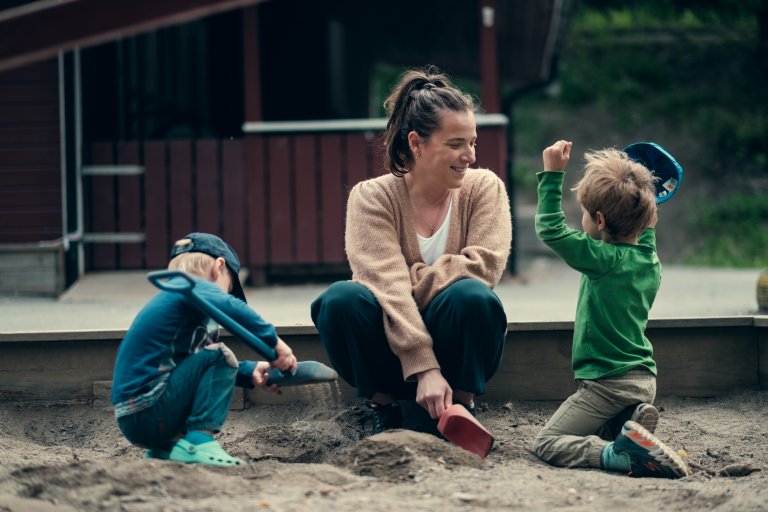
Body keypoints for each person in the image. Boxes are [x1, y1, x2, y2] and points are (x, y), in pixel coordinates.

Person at [311, 66, 512, 435]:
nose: (469, 155)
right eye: (456, 144)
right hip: (390, 355)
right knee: (341, 299)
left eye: (473, 142)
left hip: (456, 355)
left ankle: (463, 408)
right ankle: (382, 407)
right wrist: (424, 367)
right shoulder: (371, 197)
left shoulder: (485, 188)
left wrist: (409, 278)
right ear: (417, 144)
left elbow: (484, 265)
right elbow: (383, 285)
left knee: (472, 295)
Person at [532, 140, 690, 478]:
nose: (583, 220)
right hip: (645, 379)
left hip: (607, 384)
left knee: (547, 441)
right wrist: (638, 189)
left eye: (585, 214)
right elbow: (646, 224)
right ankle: (627, 422)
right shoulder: (649, 260)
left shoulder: (602, 259)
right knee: (603, 421)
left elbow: (551, 229)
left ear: (600, 220)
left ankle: (617, 453)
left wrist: (551, 175)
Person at [111, 232, 297, 466]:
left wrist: (249, 371)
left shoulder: (177, 304)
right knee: (220, 353)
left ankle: (165, 449)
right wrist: (276, 344)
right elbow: (232, 310)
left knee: (215, 356)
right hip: (151, 408)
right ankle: (198, 442)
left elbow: (196, 368)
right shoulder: (190, 286)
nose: (226, 294)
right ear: (218, 267)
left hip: (134, 420)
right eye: (228, 287)